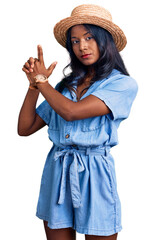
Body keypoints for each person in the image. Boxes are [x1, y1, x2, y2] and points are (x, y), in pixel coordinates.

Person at [18, 4, 138, 240]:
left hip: (96, 174)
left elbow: (71, 112)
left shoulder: (122, 84)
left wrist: (43, 83)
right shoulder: (64, 87)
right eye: (74, 41)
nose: (82, 46)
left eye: (89, 37)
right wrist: (33, 86)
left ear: (106, 41)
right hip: (58, 169)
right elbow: (25, 128)